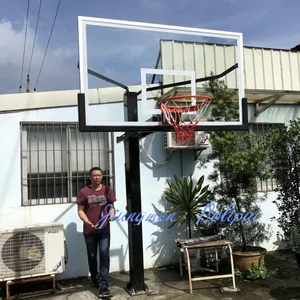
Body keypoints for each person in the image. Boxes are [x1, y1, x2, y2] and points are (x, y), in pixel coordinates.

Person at [76, 167, 116, 298]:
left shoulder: (107, 190)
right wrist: (87, 221)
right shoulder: (84, 192)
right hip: (89, 231)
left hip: (104, 229)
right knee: (92, 257)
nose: (96, 177)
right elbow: (80, 210)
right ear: (90, 177)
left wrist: (112, 214)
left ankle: (104, 287)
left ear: (102, 176)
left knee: (104, 256)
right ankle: (95, 279)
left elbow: (111, 206)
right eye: (94, 175)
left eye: (99, 175)